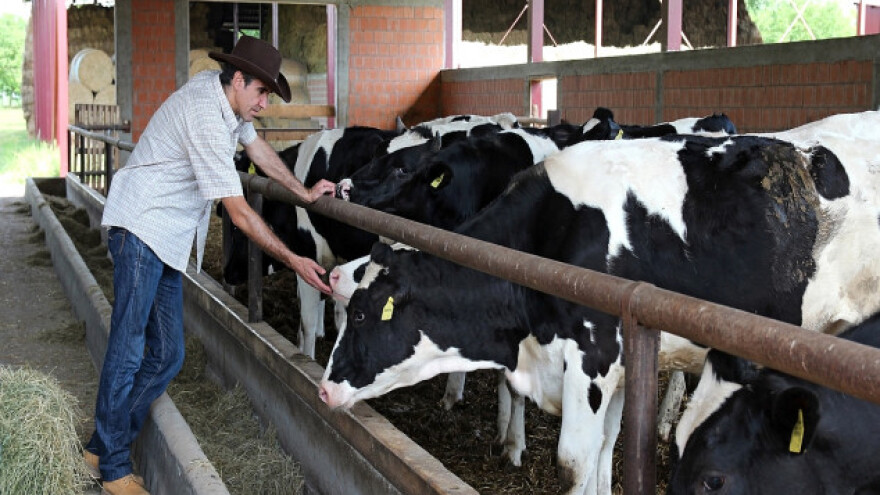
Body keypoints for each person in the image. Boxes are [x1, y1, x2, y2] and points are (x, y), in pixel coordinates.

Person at [82, 35, 335, 495]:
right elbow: (238, 213)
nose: (264, 103)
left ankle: (102, 443)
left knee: (168, 355)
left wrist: (302, 192)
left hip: (167, 237)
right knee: (130, 347)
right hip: (142, 227)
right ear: (238, 80)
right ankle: (114, 468)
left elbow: (257, 152)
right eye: (261, 91)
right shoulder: (203, 112)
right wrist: (296, 259)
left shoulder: (227, 103)